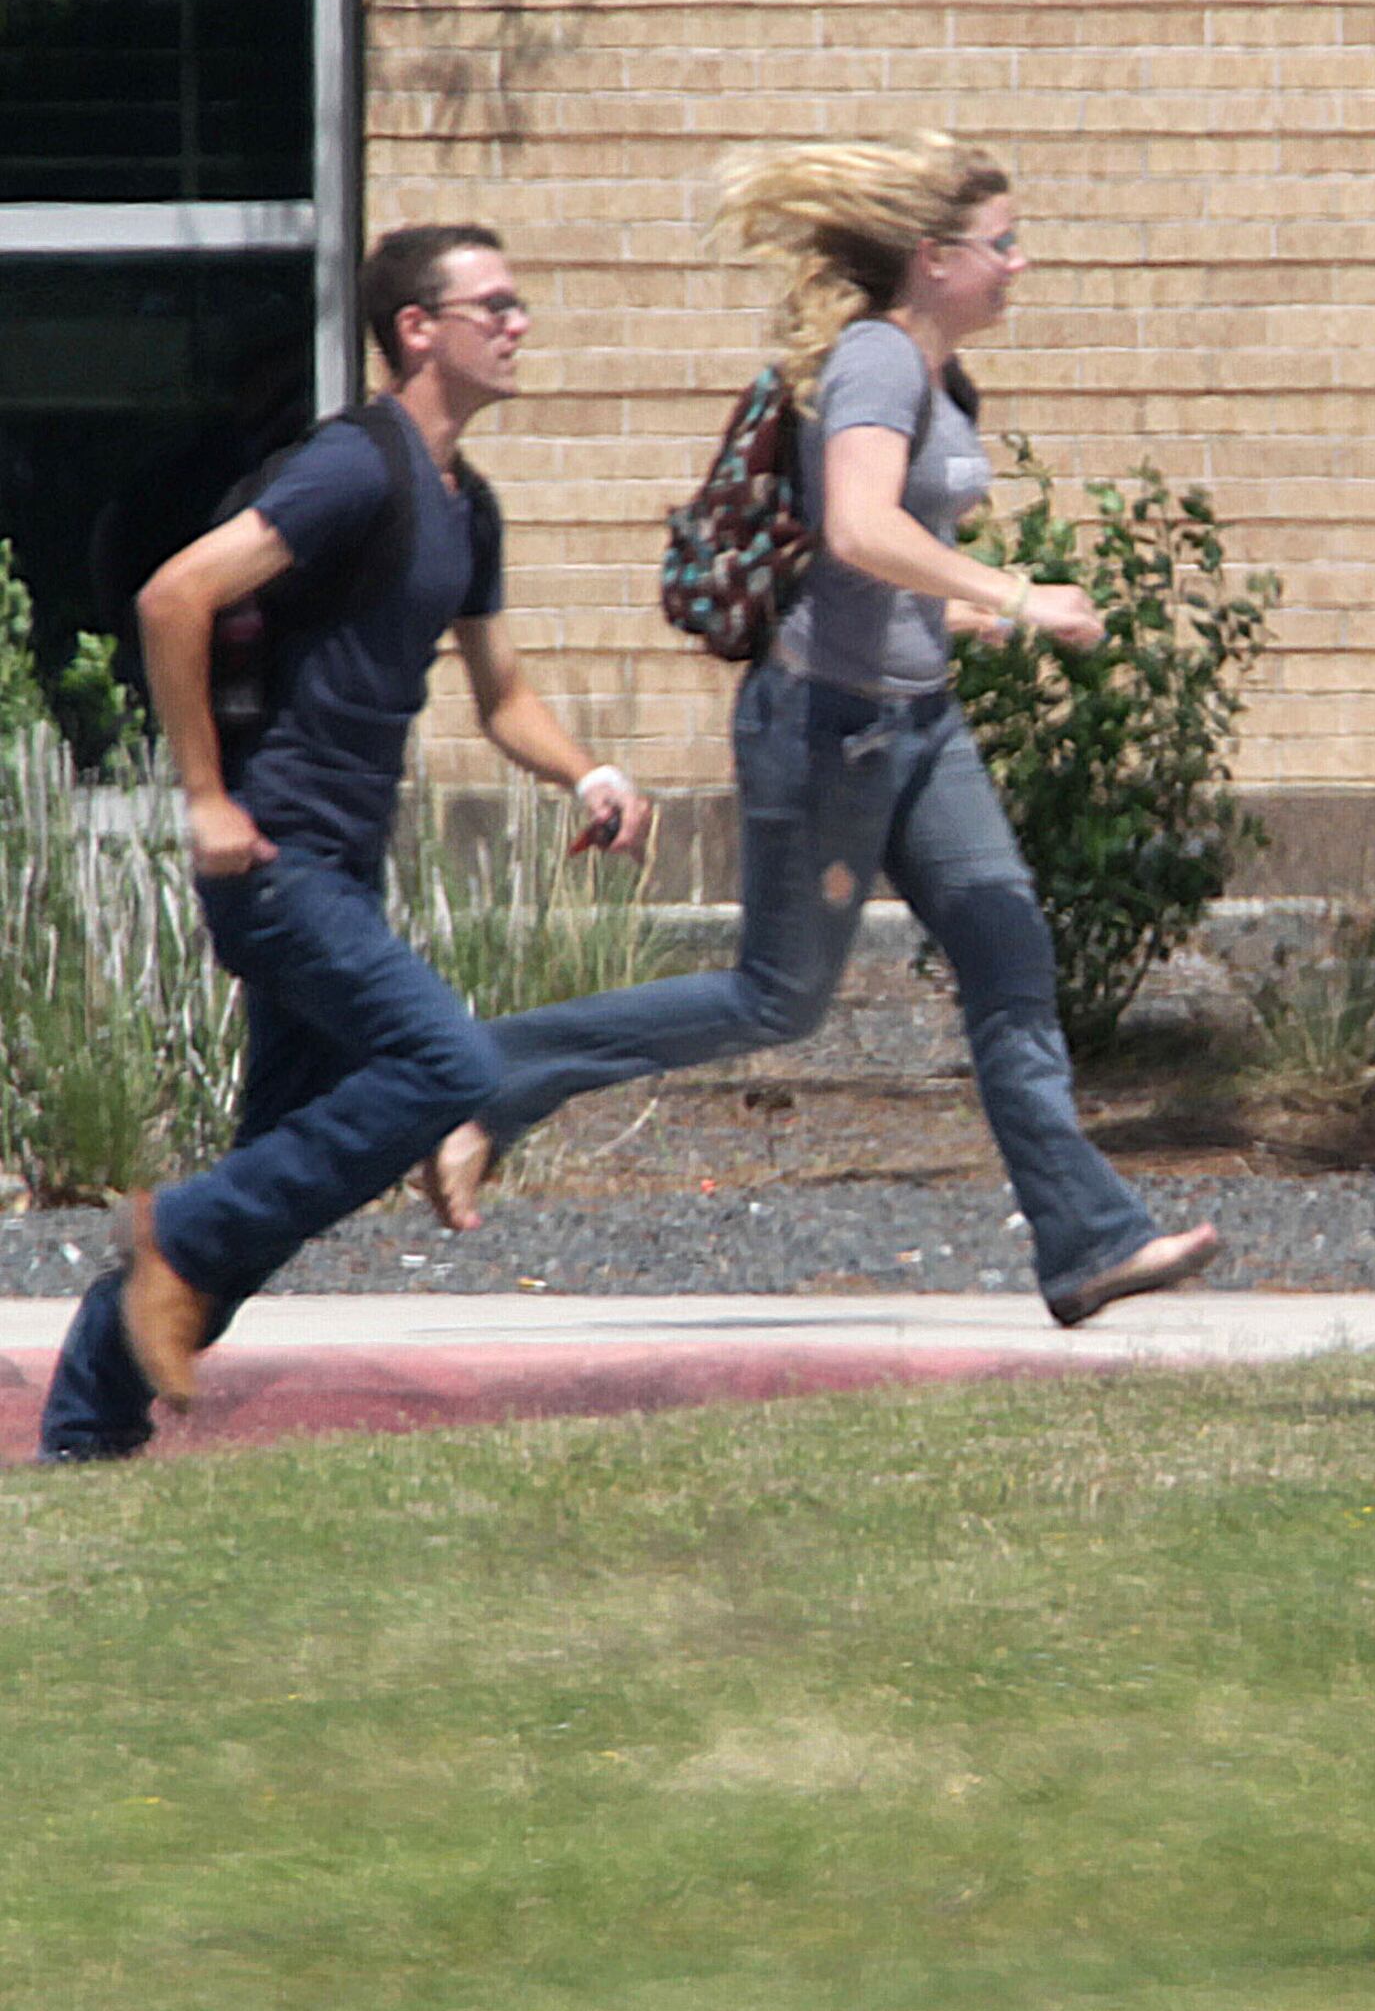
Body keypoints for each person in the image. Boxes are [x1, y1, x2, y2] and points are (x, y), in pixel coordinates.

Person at [414, 133, 1221, 1325]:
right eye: (1004, 245)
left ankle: (1089, 1242)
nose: (1022, 265)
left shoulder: (939, 378)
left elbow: (865, 568)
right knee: (776, 1000)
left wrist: (964, 618)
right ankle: (484, 1079)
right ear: (936, 257)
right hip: (823, 727)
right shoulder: (878, 364)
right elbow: (852, 528)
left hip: (916, 720)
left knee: (1010, 955)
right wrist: (1013, 593)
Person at [37, 223, 654, 1460]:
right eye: (495, 305)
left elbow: (499, 694)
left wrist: (587, 770)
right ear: (417, 330)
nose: (519, 323)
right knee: (451, 1070)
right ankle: (182, 1229)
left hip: (341, 870)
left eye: (520, 303)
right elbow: (175, 595)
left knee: (278, 1168)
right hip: (274, 862)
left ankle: (88, 1426)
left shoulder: (462, 503)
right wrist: (206, 798)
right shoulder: (351, 470)